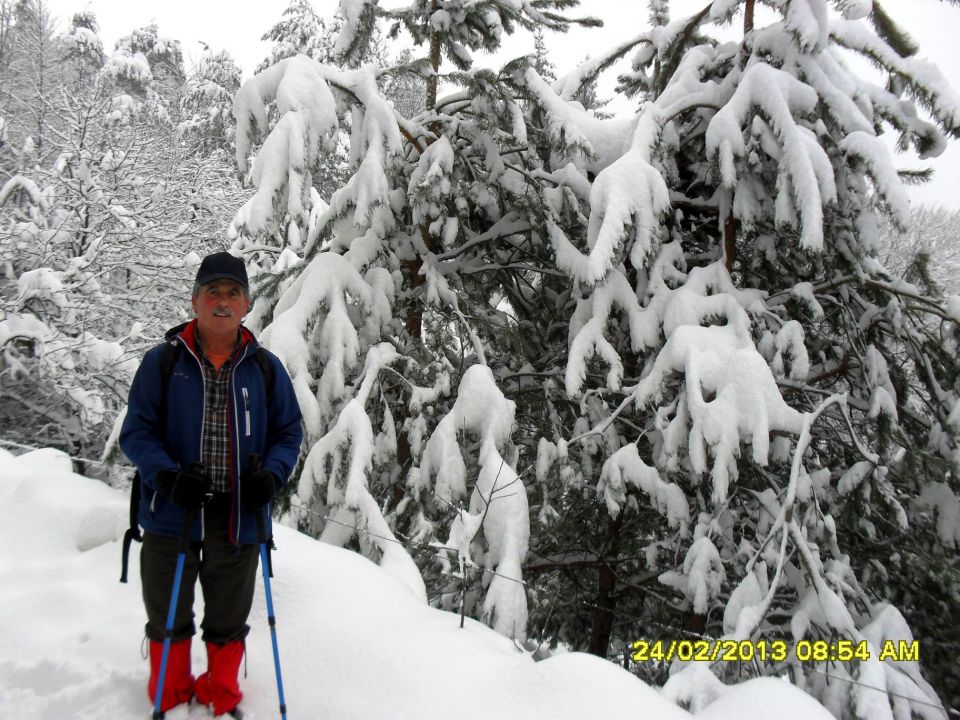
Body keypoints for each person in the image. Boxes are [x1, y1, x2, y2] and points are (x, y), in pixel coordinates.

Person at [120, 251, 302, 718]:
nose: (223, 302)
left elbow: (288, 432)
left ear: (246, 305)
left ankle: (222, 694)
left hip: (238, 519)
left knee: (228, 618)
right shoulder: (163, 362)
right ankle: (170, 693)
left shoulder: (264, 368)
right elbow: (137, 432)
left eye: (233, 293)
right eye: (213, 292)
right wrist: (168, 477)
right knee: (166, 615)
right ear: (195, 300)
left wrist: (272, 476)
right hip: (171, 512)